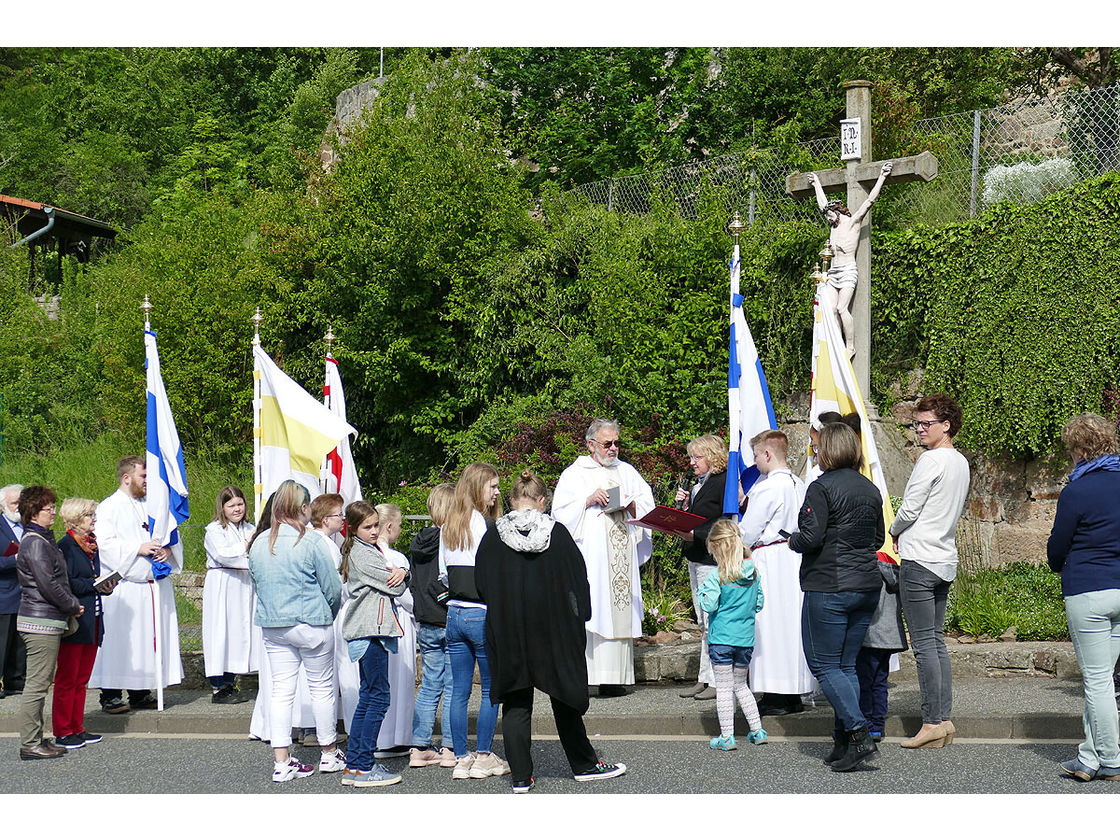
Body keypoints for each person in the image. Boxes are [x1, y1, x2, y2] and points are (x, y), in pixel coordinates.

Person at [476, 469, 627, 793]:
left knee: (516, 701)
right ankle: (584, 764)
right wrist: (580, 617)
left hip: (510, 627)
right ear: (543, 502)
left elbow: (482, 584)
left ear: (512, 500)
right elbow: (577, 580)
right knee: (564, 697)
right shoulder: (557, 534)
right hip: (553, 628)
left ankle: (521, 777)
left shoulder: (492, 537)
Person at [788, 423, 884, 772]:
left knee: (825, 665)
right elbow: (877, 539)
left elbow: (811, 538)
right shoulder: (871, 489)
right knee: (846, 666)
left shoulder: (821, 487)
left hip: (829, 584)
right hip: (866, 585)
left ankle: (859, 736)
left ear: (827, 450)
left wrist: (792, 540)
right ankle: (842, 740)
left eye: (817, 447)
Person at [248, 480, 344, 783]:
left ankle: (282, 761)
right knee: (322, 688)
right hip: (312, 621)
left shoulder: (260, 542)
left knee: (281, 691)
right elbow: (332, 586)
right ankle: (329, 753)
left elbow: (257, 583)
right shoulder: (311, 541)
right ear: (304, 509)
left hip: (275, 625)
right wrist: (328, 614)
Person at [552, 418, 655, 696]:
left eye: (617, 443)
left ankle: (613, 680)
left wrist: (632, 504)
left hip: (621, 557)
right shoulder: (575, 474)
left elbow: (648, 504)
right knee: (593, 610)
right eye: (607, 443)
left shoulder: (628, 471)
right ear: (591, 445)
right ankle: (583, 678)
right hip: (592, 561)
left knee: (616, 612)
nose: (613, 449)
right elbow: (559, 514)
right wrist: (587, 500)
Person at [890, 394, 970, 749]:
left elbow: (909, 509)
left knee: (924, 644)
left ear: (947, 425)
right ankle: (944, 718)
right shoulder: (961, 462)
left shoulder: (930, 460)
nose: (919, 429)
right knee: (935, 641)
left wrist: (892, 531)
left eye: (927, 423)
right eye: (917, 423)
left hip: (920, 557)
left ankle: (932, 722)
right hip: (944, 557)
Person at [1046, 413, 1120, 782]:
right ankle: (1089, 757)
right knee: (1104, 677)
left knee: (1097, 681)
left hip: (1088, 589)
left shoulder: (1077, 490)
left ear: (1081, 449)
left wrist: (1056, 563)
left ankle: (1110, 759)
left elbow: (1058, 545)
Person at [89, 455, 182, 713]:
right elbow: (104, 544)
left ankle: (140, 691)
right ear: (126, 477)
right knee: (121, 642)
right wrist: (137, 548)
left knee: (146, 642)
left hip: (152, 585)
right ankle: (110, 693)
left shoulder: (151, 505)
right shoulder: (109, 507)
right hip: (125, 588)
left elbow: (169, 535)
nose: (148, 482)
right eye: (144, 476)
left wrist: (167, 551)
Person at [439, 462, 510, 780]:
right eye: (492, 487)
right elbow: (497, 571)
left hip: (454, 613)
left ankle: (460, 757)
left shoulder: (448, 525)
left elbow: (444, 575)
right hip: (481, 613)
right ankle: (483, 755)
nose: (497, 493)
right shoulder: (484, 524)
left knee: (458, 691)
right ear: (477, 487)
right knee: (490, 689)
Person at [740, 430, 815, 717]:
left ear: (768, 454)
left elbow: (749, 530)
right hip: (794, 557)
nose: (756, 462)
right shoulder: (799, 483)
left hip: (771, 557)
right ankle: (793, 691)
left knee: (770, 625)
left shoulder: (769, 487)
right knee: (790, 626)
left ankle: (776, 694)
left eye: (757, 455)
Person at [339, 501, 409, 788]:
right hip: (371, 631)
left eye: (375, 525)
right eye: (367, 527)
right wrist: (404, 575)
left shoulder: (364, 551)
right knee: (378, 697)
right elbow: (395, 585)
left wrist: (402, 574)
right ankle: (364, 765)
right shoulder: (364, 554)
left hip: (369, 630)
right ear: (353, 529)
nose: (373, 531)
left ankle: (356, 765)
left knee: (369, 697)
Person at [15, 486, 83, 759]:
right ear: (33, 512)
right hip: (40, 621)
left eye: (53, 507)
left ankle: (37, 739)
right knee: (37, 684)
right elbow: (48, 584)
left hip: (45, 619)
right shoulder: (35, 542)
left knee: (40, 683)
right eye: (48, 508)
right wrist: (72, 605)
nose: (53, 512)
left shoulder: (40, 539)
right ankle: (30, 743)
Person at [808, 162, 893, 358]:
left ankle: (850, 346)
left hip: (847, 272)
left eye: (830, 215)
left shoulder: (853, 222)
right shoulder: (834, 226)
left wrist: (882, 176)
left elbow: (870, 201)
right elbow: (822, 204)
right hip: (833, 273)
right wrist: (817, 184)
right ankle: (837, 345)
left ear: (838, 211)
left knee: (841, 308)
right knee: (830, 310)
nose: (828, 219)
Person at [53, 498, 117, 749]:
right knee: (67, 678)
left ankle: (77, 727)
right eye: (89, 516)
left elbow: (92, 579)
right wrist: (93, 584)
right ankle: (63, 730)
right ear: (75, 520)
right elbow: (66, 582)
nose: (94, 520)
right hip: (76, 617)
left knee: (82, 679)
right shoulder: (66, 546)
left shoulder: (92, 545)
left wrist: (105, 585)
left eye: (93, 515)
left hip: (95, 616)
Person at [698, 519, 767, 751]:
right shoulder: (753, 574)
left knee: (725, 688)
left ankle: (727, 736)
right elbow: (759, 604)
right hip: (745, 640)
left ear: (717, 548)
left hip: (722, 640)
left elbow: (709, 605)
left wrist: (701, 594)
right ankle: (757, 730)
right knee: (741, 686)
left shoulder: (716, 576)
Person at [673, 434, 728, 701]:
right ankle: (704, 678)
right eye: (691, 457)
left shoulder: (723, 482)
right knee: (703, 620)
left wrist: (695, 533)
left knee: (713, 619)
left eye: (697, 457)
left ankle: (718, 679)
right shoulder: (700, 483)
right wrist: (682, 506)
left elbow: (724, 523)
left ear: (712, 456)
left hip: (710, 557)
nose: (692, 462)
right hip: (695, 556)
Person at [407, 483, 456, 769]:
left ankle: (420, 746)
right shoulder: (449, 539)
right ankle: (450, 748)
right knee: (452, 686)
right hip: (447, 617)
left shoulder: (418, 541)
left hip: (425, 620)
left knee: (429, 686)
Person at [202, 485, 258, 704]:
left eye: (240, 504)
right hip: (223, 584)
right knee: (221, 631)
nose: (237, 509)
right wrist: (246, 547)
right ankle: (218, 686)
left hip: (244, 585)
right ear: (222, 507)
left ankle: (231, 679)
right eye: (231, 505)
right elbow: (223, 554)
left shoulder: (251, 528)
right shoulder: (214, 530)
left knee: (238, 632)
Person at [374, 503, 417, 759]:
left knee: (378, 681)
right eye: (399, 525)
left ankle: (378, 736)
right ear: (389, 526)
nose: (399, 530)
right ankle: (396, 738)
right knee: (400, 677)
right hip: (397, 620)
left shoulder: (361, 554)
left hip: (374, 622)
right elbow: (406, 597)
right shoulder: (397, 559)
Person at [0, 483, 26, 699]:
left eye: (21, 502)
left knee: (20, 642)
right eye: (14, 503)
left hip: (26, 594)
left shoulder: (29, 526)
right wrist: (13, 559)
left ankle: (16, 681)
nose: (18, 507)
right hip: (4, 592)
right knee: (2, 641)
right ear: (2, 506)